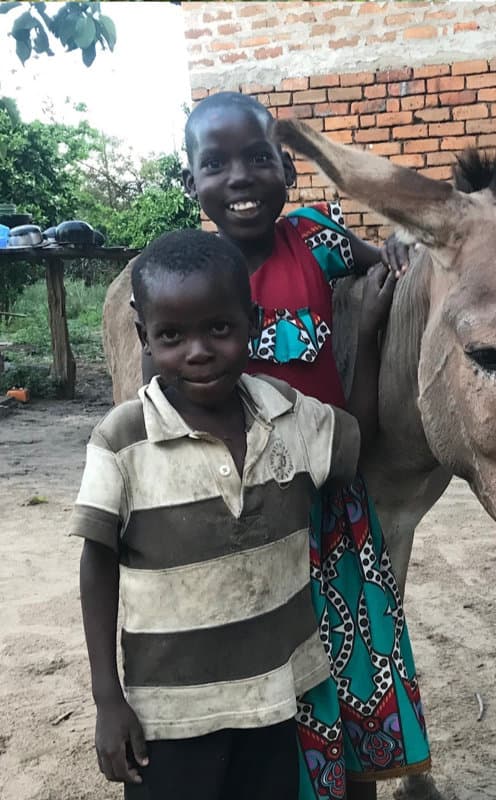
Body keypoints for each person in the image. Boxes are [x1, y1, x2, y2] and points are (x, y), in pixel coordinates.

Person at [176, 91, 431, 800]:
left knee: (349, 674)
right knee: (270, 682)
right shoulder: (193, 273)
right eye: (216, 163)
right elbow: (159, 396)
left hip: (329, 505)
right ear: (190, 179)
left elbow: (390, 264)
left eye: (259, 158)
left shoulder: (316, 239)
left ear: (287, 170)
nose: (240, 178)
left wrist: (401, 252)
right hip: (246, 520)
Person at [72, 229, 362, 799]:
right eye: (173, 335)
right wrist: (108, 697)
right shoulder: (122, 440)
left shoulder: (288, 414)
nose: (198, 351)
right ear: (144, 337)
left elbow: (360, 444)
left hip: (273, 702)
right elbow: (96, 566)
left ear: (252, 323)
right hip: (171, 718)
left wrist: (370, 334)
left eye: (219, 329)